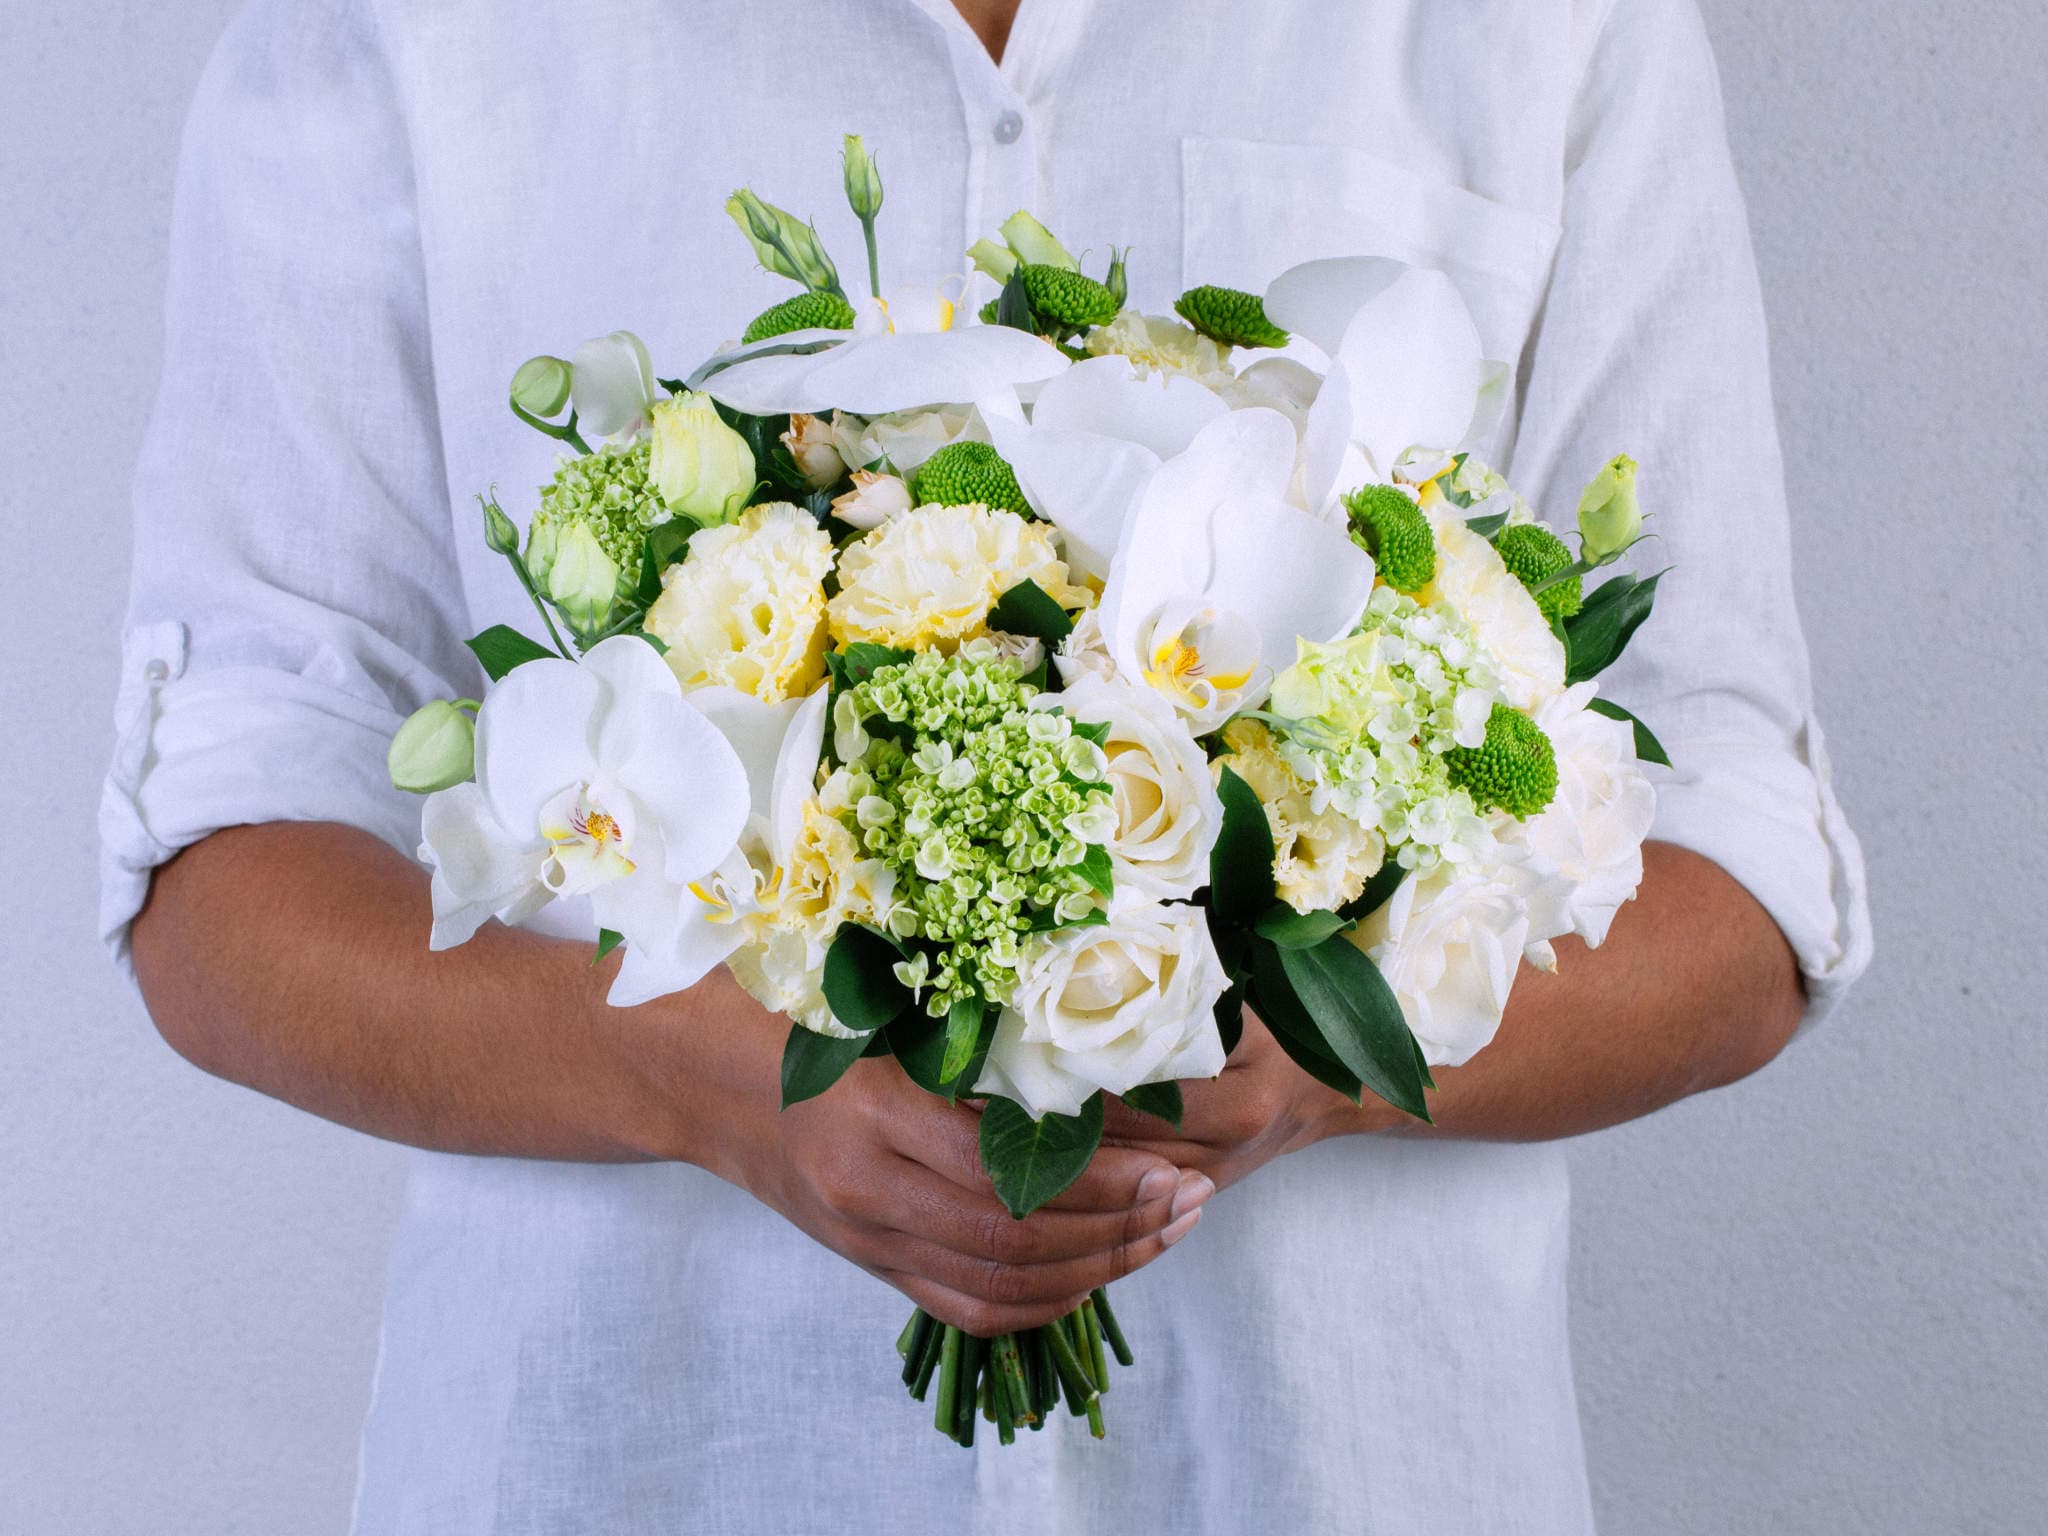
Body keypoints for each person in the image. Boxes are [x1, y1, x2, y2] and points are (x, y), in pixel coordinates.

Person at [103, 0, 1871, 1530]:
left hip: (1337, 1477)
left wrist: (1321, 1064)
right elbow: (222, 868)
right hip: (635, 1470)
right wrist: (690, 1082)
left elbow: (1743, 876)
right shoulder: (425, 33)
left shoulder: (1541, 27)